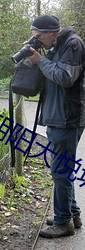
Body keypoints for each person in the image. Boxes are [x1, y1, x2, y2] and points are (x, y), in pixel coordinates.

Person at [27, 15, 85, 238]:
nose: (38, 41)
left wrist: (40, 61)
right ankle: (72, 214)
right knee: (62, 169)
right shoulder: (56, 46)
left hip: (67, 118)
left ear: (51, 32)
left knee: (61, 171)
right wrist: (37, 60)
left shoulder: (73, 44)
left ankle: (63, 223)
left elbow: (64, 77)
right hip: (57, 117)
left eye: (39, 37)